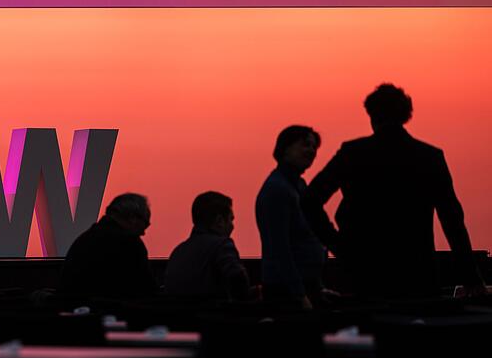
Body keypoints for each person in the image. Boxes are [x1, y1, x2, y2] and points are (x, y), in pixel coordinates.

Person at [301, 83, 485, 298]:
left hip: (363, 275)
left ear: (371, 115)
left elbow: (309, 200)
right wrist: (471, 277)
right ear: (406, 115)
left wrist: (341, 248)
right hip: (417, 276)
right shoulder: (430, 157)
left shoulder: (352, 153)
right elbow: (452, 220)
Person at [256, 126, 328, 308]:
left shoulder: (299, 185)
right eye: (305, 145)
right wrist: (299, 294)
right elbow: (280, 247)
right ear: (285, 148)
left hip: (305, 286)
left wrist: (318, 287)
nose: (311, 151)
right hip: (286, 291)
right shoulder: (277, 190)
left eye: (314, 147)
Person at [59, 193, 158, 298]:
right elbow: (147, 289)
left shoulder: (85, 239)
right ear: (133, 218)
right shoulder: (130, 244)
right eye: (146, 223)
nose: (143, 232)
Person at [165, 191, 250, 300]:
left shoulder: (178, 252)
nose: (232, 226)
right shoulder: (221, 246)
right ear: (219, 221)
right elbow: (238, 281)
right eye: (230, 219)